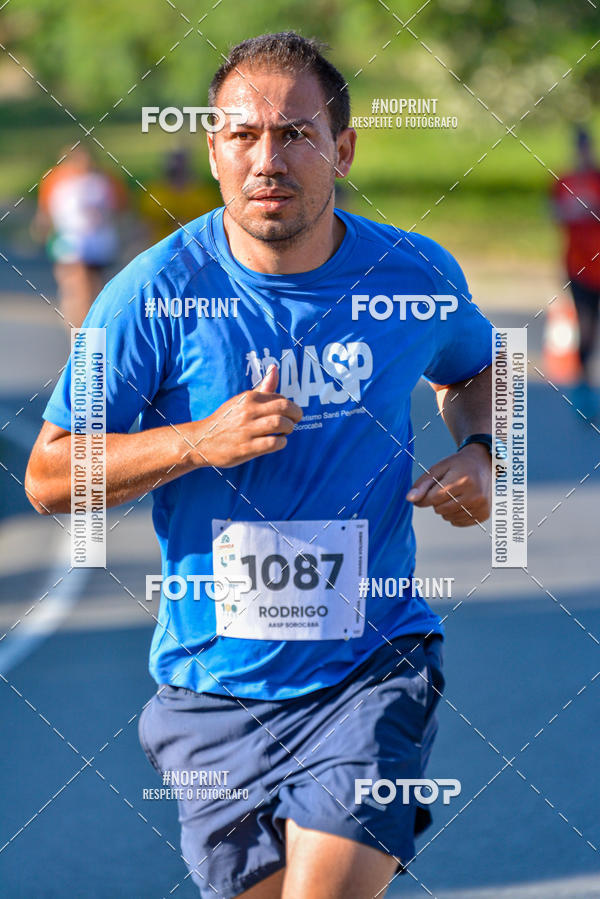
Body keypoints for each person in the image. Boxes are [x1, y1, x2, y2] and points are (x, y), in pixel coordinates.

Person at [25, 32, 493, 899]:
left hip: (369, 665)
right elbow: (49, 475)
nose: (266, 159)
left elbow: (477, 366)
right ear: (212, 148)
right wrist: (197, 440)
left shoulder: (412, 273)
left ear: (342, 148)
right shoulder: (155, 292)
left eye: (296, 134)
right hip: (214, 688)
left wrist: (484, 450)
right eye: (242, 136)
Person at [32, 146, 128, 328]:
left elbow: (120, 210)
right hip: (70, 243)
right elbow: (45, 212)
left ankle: (88, 332)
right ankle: (79, 334)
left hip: (98, 243)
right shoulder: (56, 179)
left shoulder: (105, 181)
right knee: (78, 287)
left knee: (95, 289)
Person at [552, 126, 600, 417]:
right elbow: (554, 212)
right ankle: (583, 385)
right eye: (578, 147)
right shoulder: (563, 181)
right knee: (586, 325)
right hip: (578, 265)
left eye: (586, 147)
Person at [140, 148, 222, 244]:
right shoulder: (155, 194)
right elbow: (145, 227)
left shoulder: (203, 195)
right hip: (161, 246)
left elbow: (213, 227)